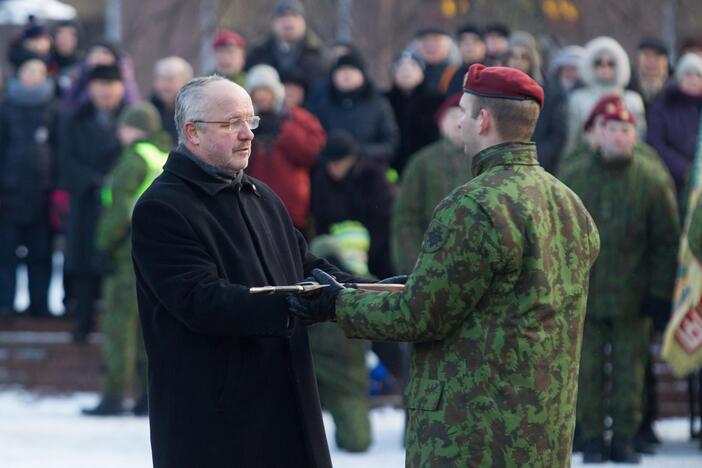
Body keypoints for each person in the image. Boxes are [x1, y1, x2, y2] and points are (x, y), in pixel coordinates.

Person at [289, 64, 600, 466]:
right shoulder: (567, 202)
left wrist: (336, 304)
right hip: (542, 425)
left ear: (483, 121)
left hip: (473, 429)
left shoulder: (473, 205)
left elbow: (419, 316)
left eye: (465, 114)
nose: (460, 126)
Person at [131, 75, 363, 468]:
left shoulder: (261, 196)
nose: (247, 135)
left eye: (250, 121)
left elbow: (304, 264)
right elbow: (201, 301)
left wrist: (358, 291)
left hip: (288, 405)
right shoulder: (162, 208)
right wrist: (295, 303)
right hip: (218, 425)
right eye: (231, 124)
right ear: (193, 133)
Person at [558, 102, 679, 464]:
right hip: (585, 297)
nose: (618, 136)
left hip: (634, 295)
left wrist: (658, 294)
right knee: (587, 372)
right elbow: (560, 237)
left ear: (635, 136)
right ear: (597, 134)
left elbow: (665, 241)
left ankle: (625, 437)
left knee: (631, 373)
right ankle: (592, 437)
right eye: (610, 128)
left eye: (625, 130)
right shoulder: (575, 176)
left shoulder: (651, 179)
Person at [82, 102, 170, 416]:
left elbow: (119, 210)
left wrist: (103, 246)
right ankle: (149, 395)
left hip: (124, 255)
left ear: (135, 128)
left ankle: (114, 395)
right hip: (155, 255)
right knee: (147, 327)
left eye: (124, 126)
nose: (119, 133)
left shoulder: (133, 159)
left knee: (120, 325)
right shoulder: (164, 156)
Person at [58, 64, 126, 341]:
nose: (106, 91)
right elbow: (65, 162)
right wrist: (97, 182)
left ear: (121, 87)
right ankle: (82, 324)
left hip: (122, 205)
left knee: (118, 266)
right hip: (86, 203)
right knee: (85, 265)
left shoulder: (131, 118)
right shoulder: (73, 119)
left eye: (111, 84)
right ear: (90, 88)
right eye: (99, 84)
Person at [0, 57, 58, 317]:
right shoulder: (5, 108)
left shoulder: (55, 110)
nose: (34, 76)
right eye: (29, 70)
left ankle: (40, 306)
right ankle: (6, 305)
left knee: (41, 255)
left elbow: (59, 151)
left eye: (39, 71)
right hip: (9, 195)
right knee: (5, 256)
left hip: (43, 196)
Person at [390, 94, 470, 274]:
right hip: (430, 261)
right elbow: (406, 217)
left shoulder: (484, 160)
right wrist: (412, 264)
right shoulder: (422, 162)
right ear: (440, 123)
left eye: (464, 115)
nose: (458, 123)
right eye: (452, 116)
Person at [244, 64, 325, 231]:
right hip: (254, 204)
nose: (260, 95)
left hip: (292, 207)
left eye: (265, 90)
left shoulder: (298, 118)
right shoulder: (245, 122)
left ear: (275, 92)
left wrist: (283, 130)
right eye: (255, 91)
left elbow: (313, 153)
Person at [310, 129, 396, 279]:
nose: (332, 168)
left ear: (351, 159)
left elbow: (382, 220)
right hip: (336, 254)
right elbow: (321, 220)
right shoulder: (322, 180)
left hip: (374, 253)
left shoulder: (373, 177)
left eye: (337, 162)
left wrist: (368, 254)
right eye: (328, 163)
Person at [308, 51, 399, 164]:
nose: (347, 75)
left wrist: (358, 153)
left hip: (368, 170)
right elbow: (312, 140)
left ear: (362, 75)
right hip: (330, 169)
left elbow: (390, 143)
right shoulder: (322, 104)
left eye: (352, 70)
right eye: (341, 71)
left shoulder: (378, 104)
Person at [565, 36, 645, 155]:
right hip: (587, 161)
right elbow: (571, 140)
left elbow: (639, 141)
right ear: (590, 65)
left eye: (610, 63)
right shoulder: (578, 99)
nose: (604, 67)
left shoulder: (633, 100)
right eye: (598, 63)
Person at [505, 31, 567, 173]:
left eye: (524, 57)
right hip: (504, 165)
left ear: (532, 59)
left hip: (539, 166)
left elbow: (557, 134)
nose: (517, 61)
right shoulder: (498, 89)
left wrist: (534, 161)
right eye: (513, 56)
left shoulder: (550, 91)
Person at [646, 52, 702, 198]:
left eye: (698, 75)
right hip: (671, 183)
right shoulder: (664, 105)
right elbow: (655, 142)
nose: (693, 79)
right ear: (679, 78)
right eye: (688, 74)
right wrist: (684, 170)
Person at [384, 51, 443, 175]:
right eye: (400, 66)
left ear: (422, 71)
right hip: (392, 169)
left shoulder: (437, 101)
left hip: (429, 168)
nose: (406, 70)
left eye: (412, 65)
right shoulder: (384, 101)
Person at [247, 0, 328, 84]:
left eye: (294, 15)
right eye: (282, 16)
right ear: (273, 23)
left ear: (303, 22)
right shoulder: (258, 54)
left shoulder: (319, 55)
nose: (289, 21)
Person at [150, 56, 194, 144]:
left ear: (186, 81)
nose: (165, 85)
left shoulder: (194, 111)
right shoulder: (148, 110)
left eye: (170, 79)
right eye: (161, 79)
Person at [628, 38, 671, 114]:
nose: (651, 61)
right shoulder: (627, 89)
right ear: (638, 60)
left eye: (657, 56)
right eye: (647, 55)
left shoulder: (675, 95)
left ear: (666, 63)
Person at [412, 27, 457, 94]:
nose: (430, 45)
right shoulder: (408, 73)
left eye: (436, 40)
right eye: (425, 40)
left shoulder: (456, 73)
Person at [445, 23, 486, 95]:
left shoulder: (492, 73)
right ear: (458, 46)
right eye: (464, 42)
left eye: (475, 41)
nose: (469, 46)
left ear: (484, 46)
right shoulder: (450, 74)